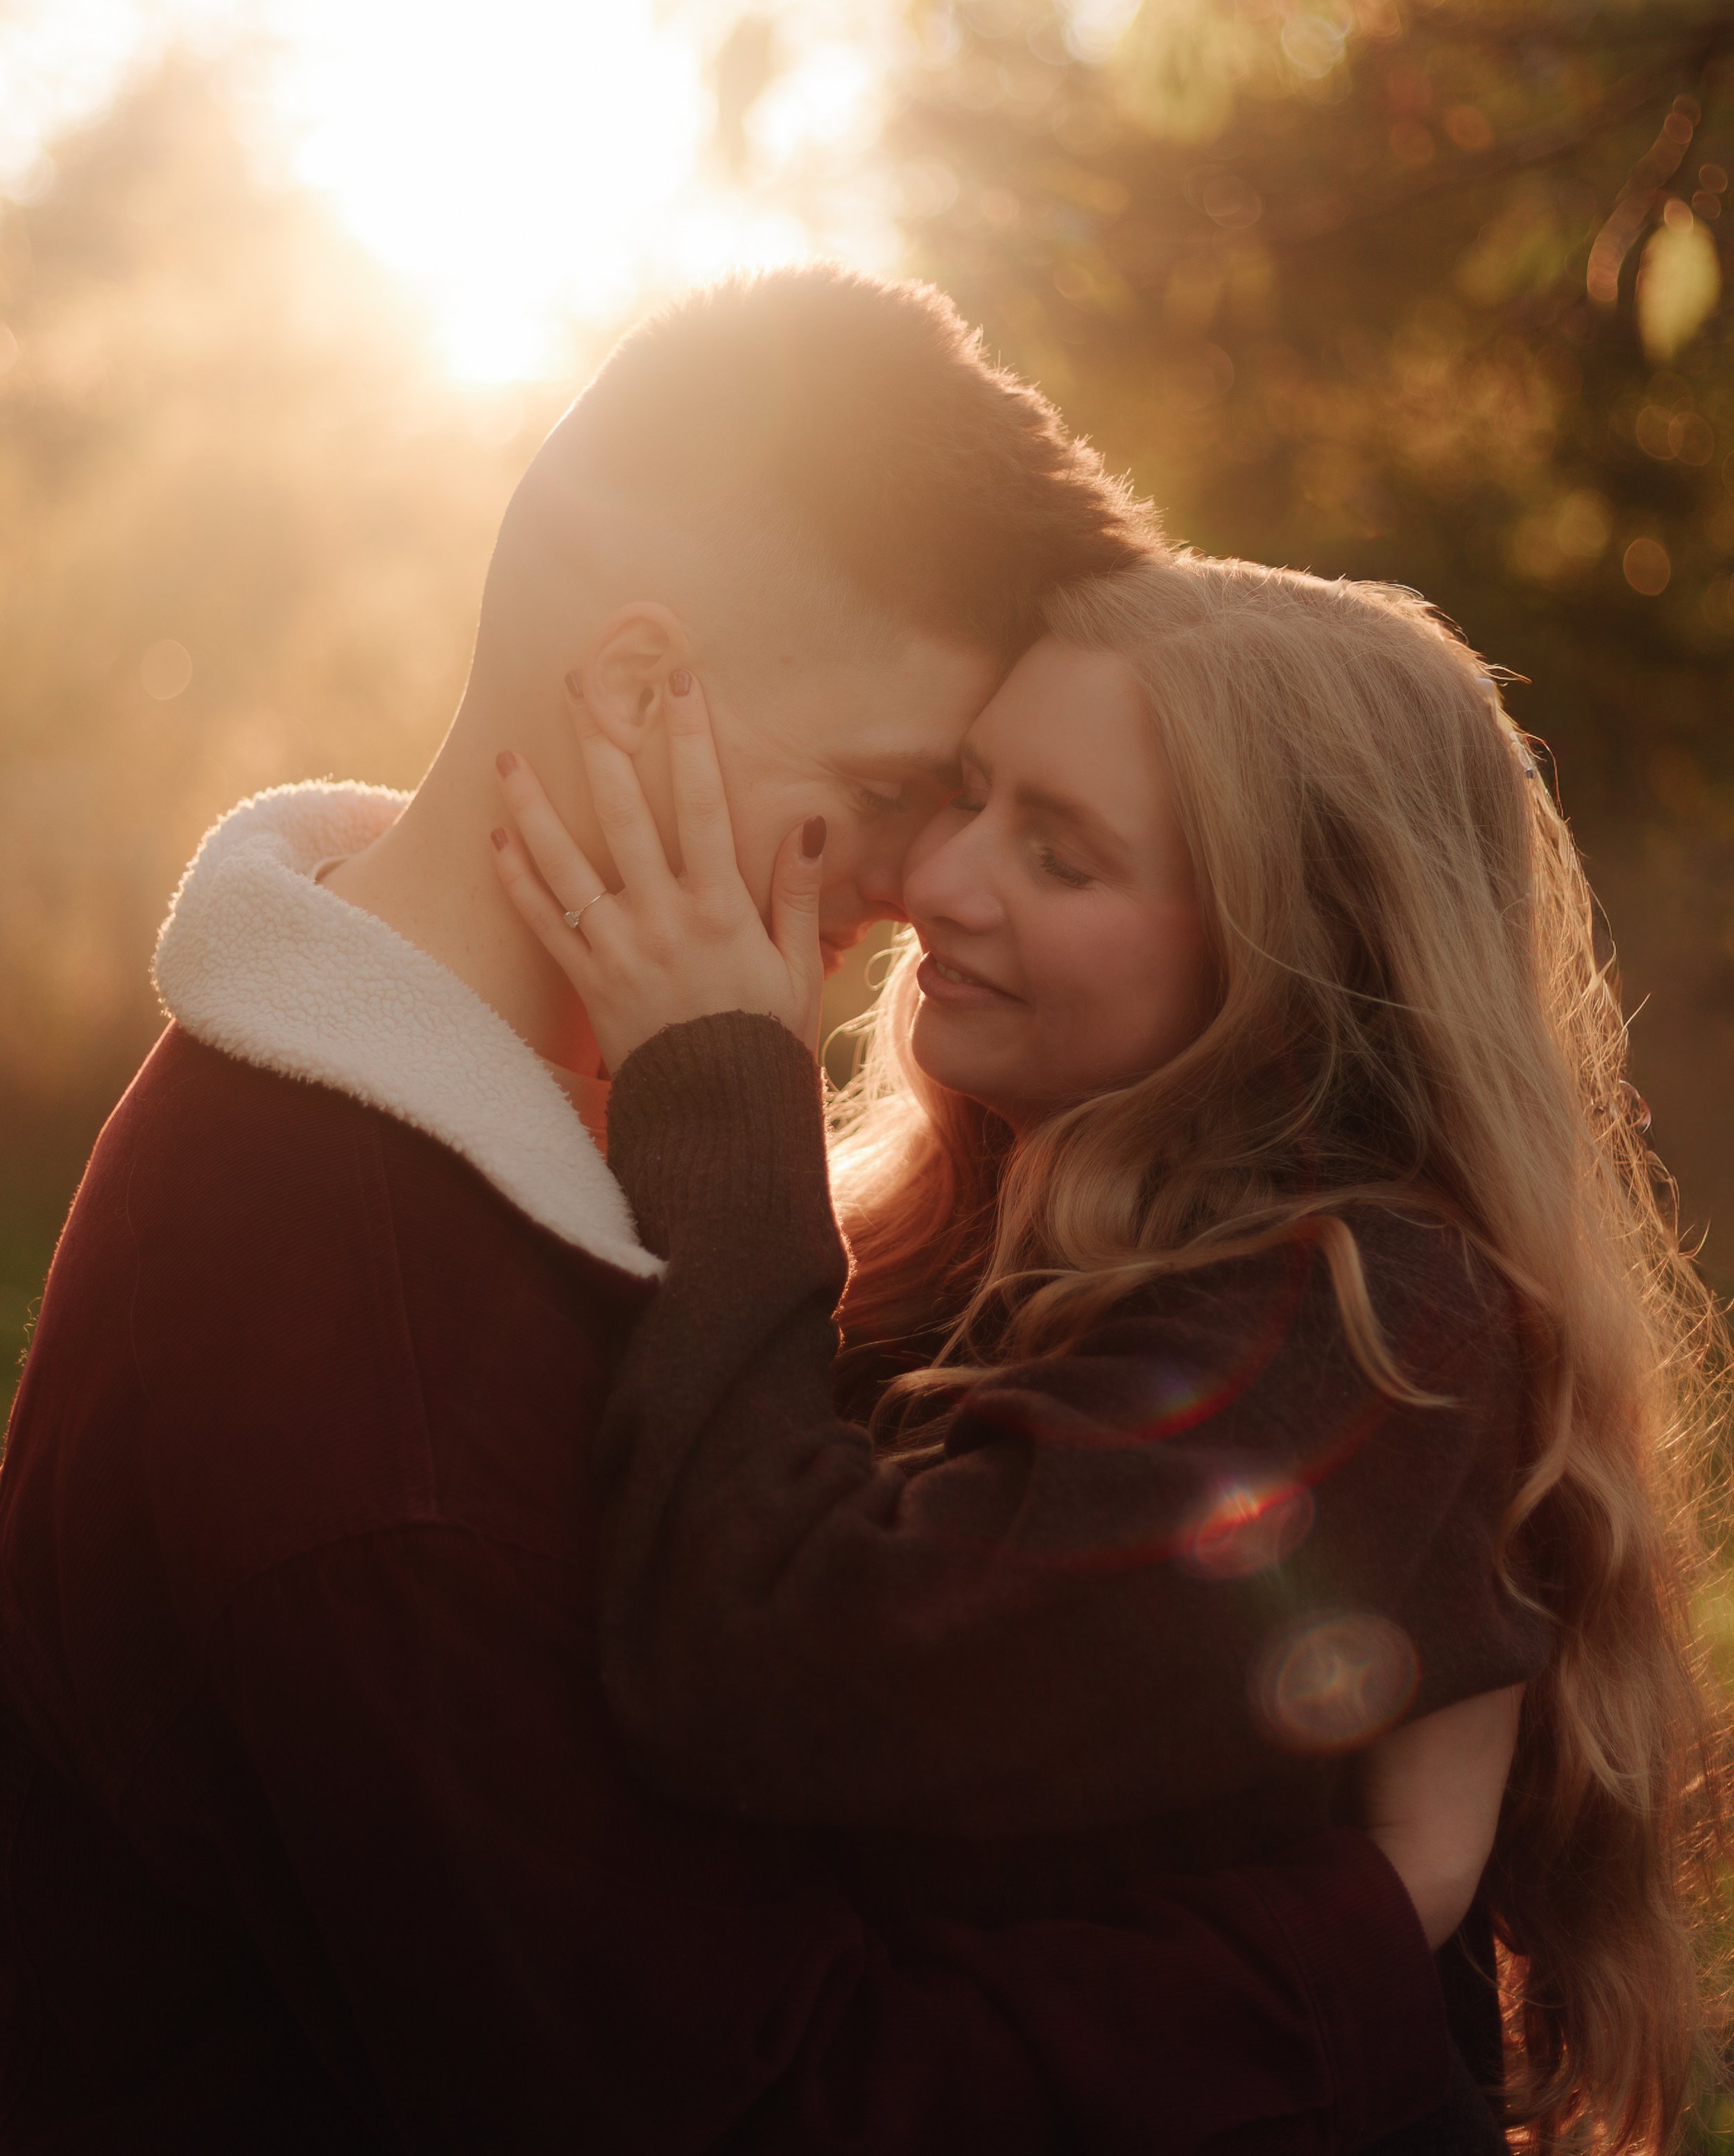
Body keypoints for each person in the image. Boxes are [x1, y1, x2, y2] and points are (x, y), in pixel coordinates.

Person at [0, 270, 1495, 2154]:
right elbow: (757, 2108)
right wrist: (1352, 1931)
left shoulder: (595, 1127)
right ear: (637, 688)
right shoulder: (365, 1361)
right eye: (895, 789)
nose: (929, 875)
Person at [490, 547, 1728, 2155]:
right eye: (970, 793)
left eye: (1061, 854)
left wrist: (718, 1096)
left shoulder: (1365, 1320)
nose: (941, 877)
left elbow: (778, 1657)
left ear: (1290, 966)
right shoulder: (964, 1228)